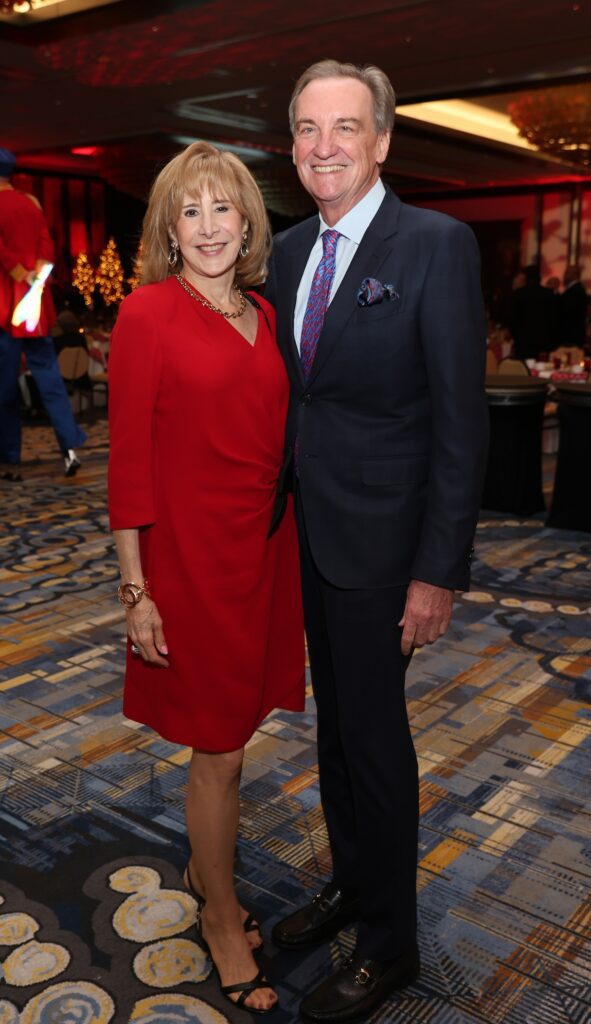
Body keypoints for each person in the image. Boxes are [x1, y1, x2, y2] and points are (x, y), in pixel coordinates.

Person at [265, 60, 489, 1023]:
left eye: (344, 127)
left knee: (375, 740)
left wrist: (436, 570)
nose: (324, 145)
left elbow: (458, 423)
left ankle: (389, 943)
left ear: (382, 141)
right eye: (307, 128)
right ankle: (353, 886)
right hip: (304, 541)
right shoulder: (282, 252)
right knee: (335, 735)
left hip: (385, 551)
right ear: (291, 144)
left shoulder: (435, 244)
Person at [108, 141, 305, 1014]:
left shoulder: (267, 310)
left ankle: (204, 863)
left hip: (265, 549)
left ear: (247, 219)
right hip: (189, 560)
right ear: (168, 230)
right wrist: (135, 588)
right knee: (217, 750)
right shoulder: (148, 313)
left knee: (242, 726)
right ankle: (219, 913)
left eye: (222, 207)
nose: (209, 226)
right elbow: (129, 463)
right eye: (189, 212)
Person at [0, 148, 86, 480]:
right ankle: (70, 450)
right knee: (51, 382)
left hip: (6, 309)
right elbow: (47, 246)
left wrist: (16, 271)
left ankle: (10, 461)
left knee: (5, 389)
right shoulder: (31, 203)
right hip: (35, 307)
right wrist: (35, 274)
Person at [510, 263, 556, 360]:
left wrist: (516, 337)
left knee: (523, 371)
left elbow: (513, 320)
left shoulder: (518, 294)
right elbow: (554, 321)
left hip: (522, 343)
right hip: (543, 344)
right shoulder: (549, 294)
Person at [559, 264, 588, 349]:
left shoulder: (575, 292)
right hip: (573, 336)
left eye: (567, 272)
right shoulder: (576, 290)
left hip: (570, 338)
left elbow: (567, 314)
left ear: (574, 274)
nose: (564, 275)